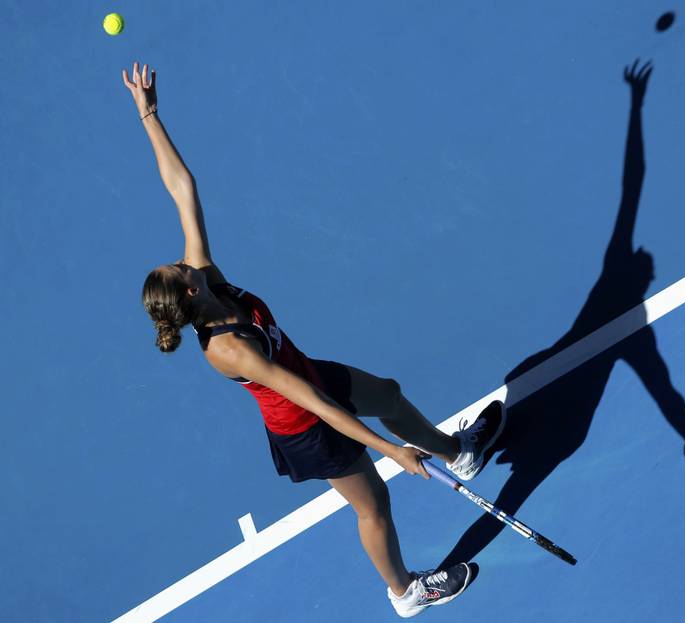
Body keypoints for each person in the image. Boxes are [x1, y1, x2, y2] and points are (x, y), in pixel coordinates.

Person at [122, 61, 505, 618]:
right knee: (374, 503)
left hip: (309, 374)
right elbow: (316, 404)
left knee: (390, 396)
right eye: (179, 271)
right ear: (187, 298)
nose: (185, 260)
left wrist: (149, 114)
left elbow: (184, 189)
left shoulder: (208, 276)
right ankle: (405, 592)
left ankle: (458, 454)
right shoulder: (227, 348)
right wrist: (392, 450)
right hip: (305, 423)